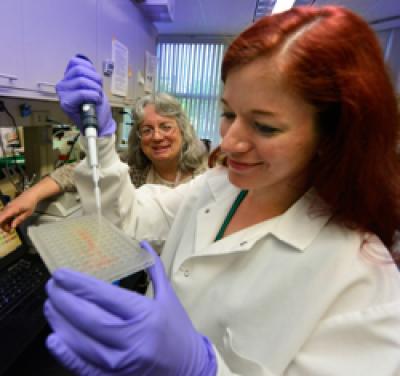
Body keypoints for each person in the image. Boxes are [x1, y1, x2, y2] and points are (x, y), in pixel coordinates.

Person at [44, 5, 400, 375]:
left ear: (332, 135)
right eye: (229, 113)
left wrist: (202, 368)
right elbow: (128, 223)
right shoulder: (218, 187)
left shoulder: (365, 284)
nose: (228, 144)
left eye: (264, 127)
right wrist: (101, 137)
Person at [0, 92, 207, 232]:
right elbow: (74, 171)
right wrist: (30, 196)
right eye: (147, 130)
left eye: (166, 126)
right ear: (139, 137)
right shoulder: (133, 166)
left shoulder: (204, 175)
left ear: (182, 130)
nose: (157, 136)